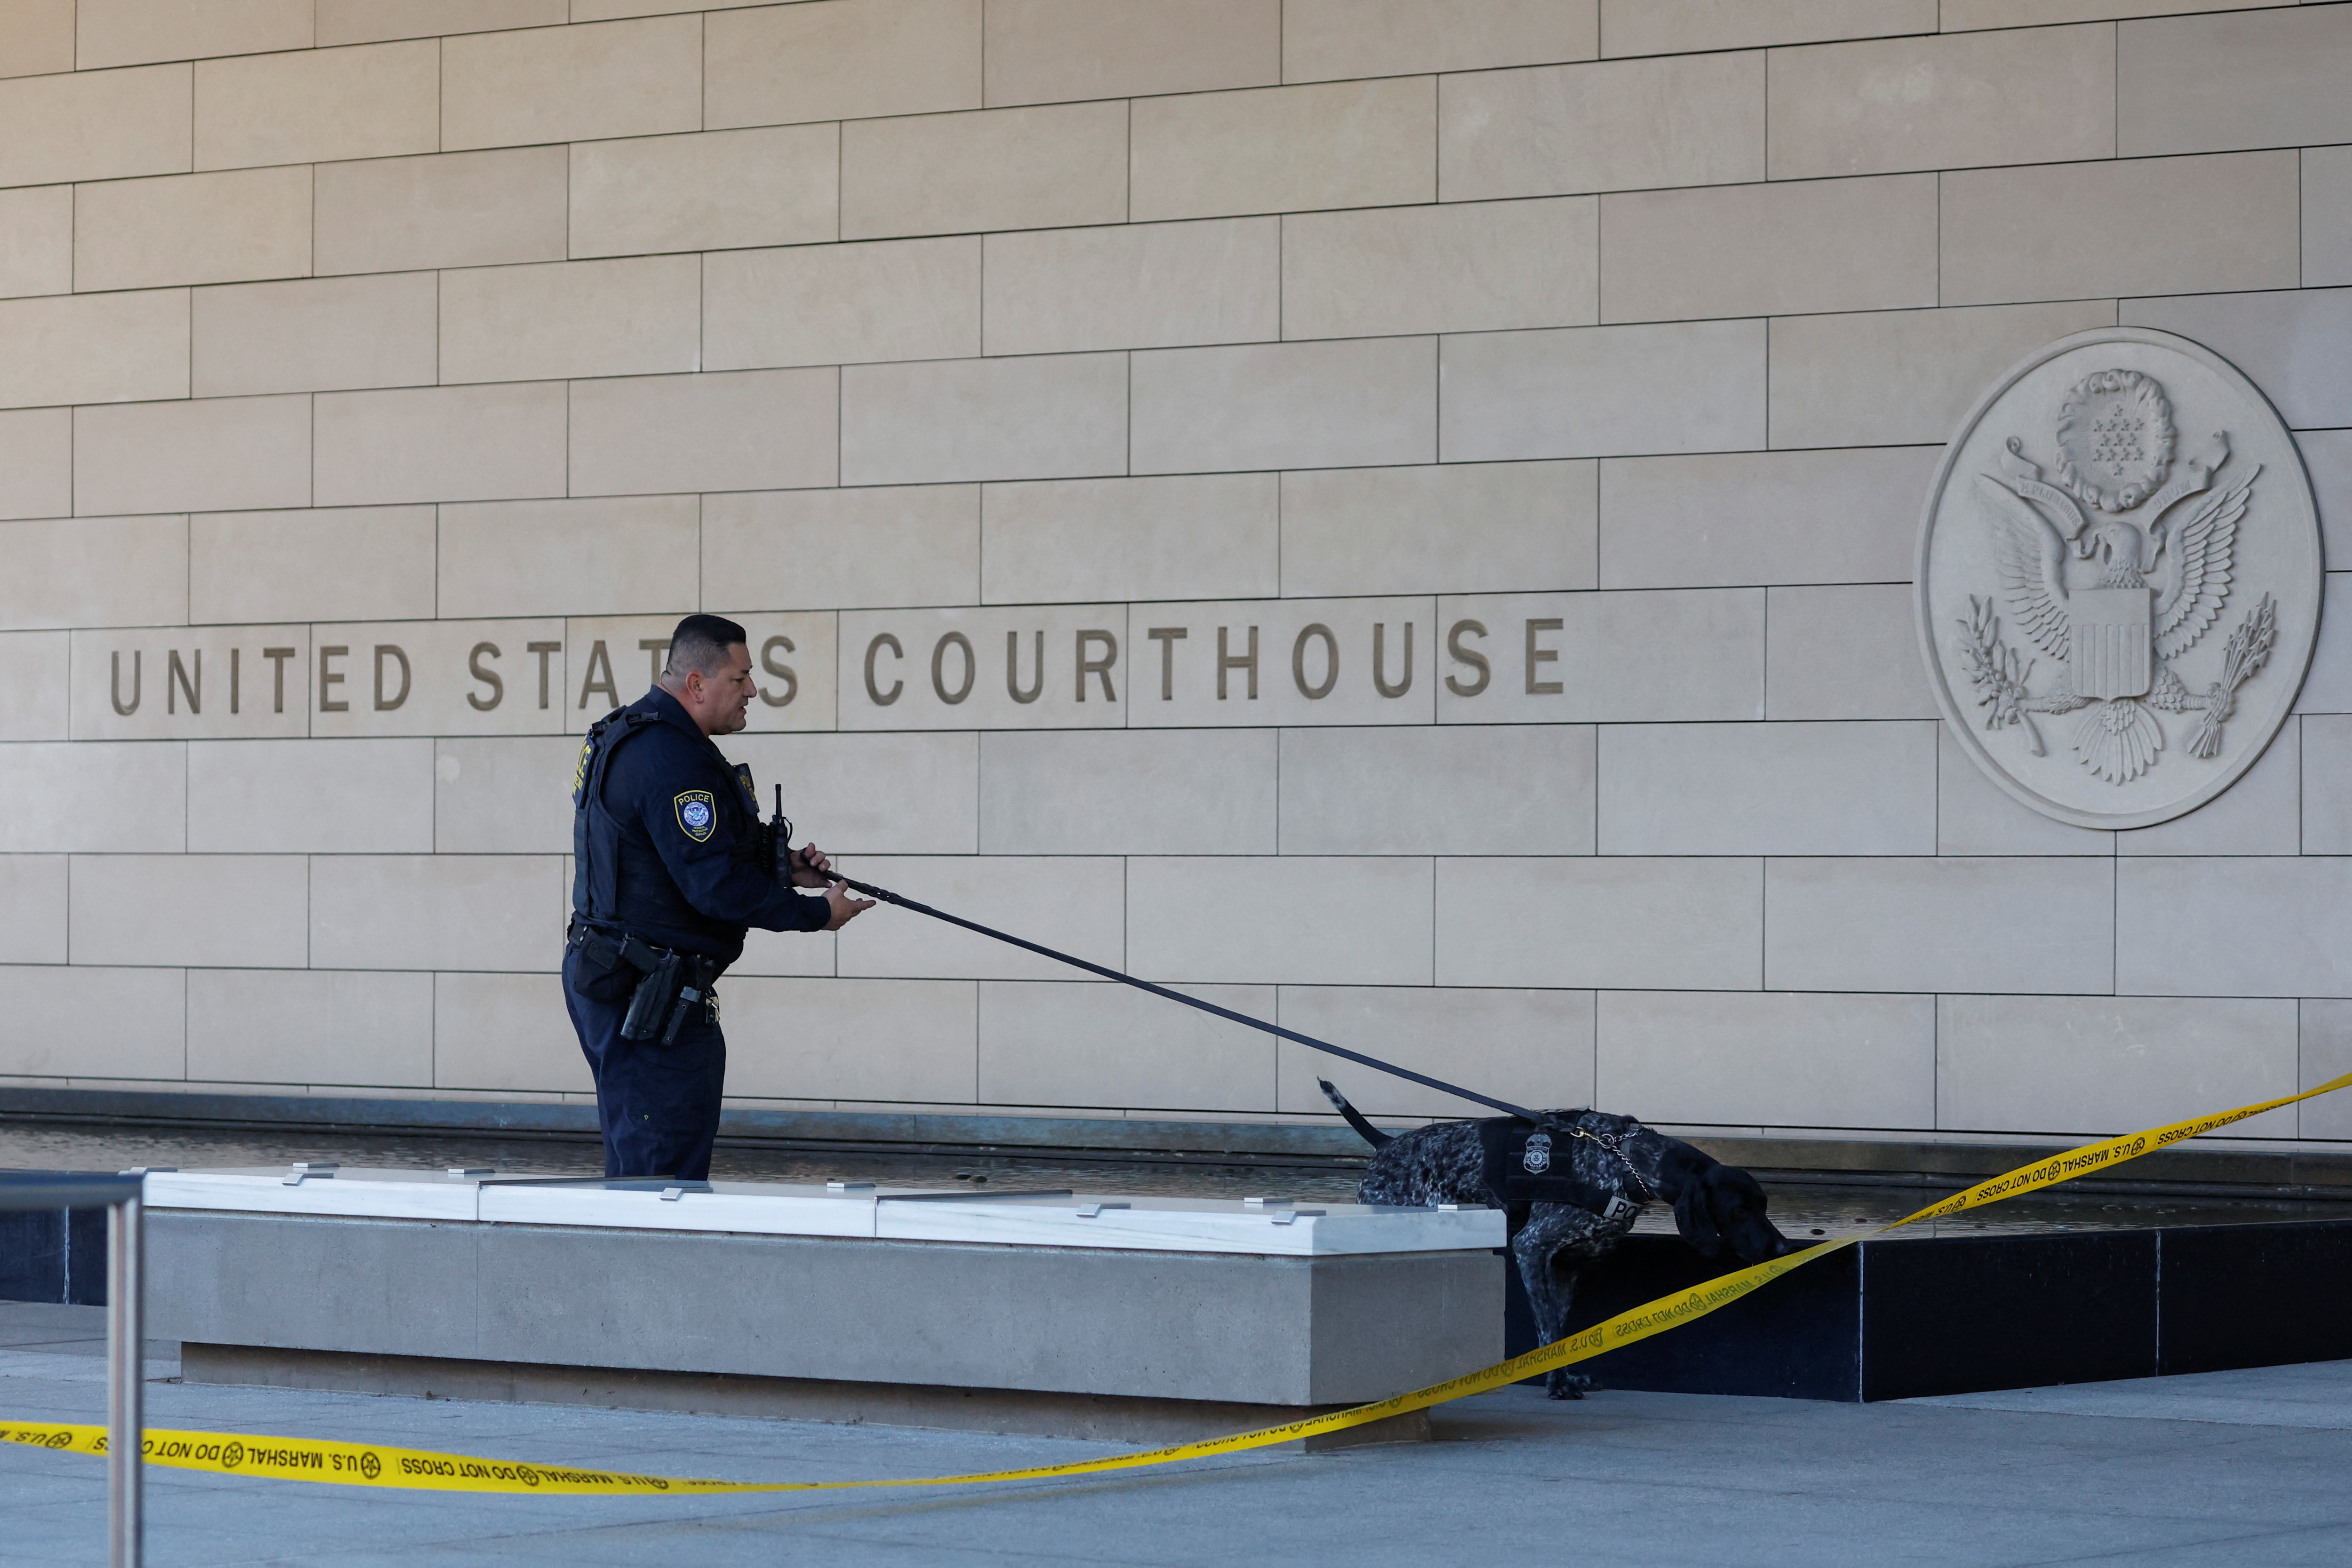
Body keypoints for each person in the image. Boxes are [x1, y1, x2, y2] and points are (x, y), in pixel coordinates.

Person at [562, 613, 873, 1179]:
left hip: (624, 980)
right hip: (650, 1000)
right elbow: (713, 887)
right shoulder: (671, 759)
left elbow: (664, 856)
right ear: (697, 684)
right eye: (740, 678)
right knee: (660, 1179)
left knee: (646, 1164)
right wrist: (815, 915)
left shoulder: (638, 734)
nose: (752, 690)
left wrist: (783, 869)